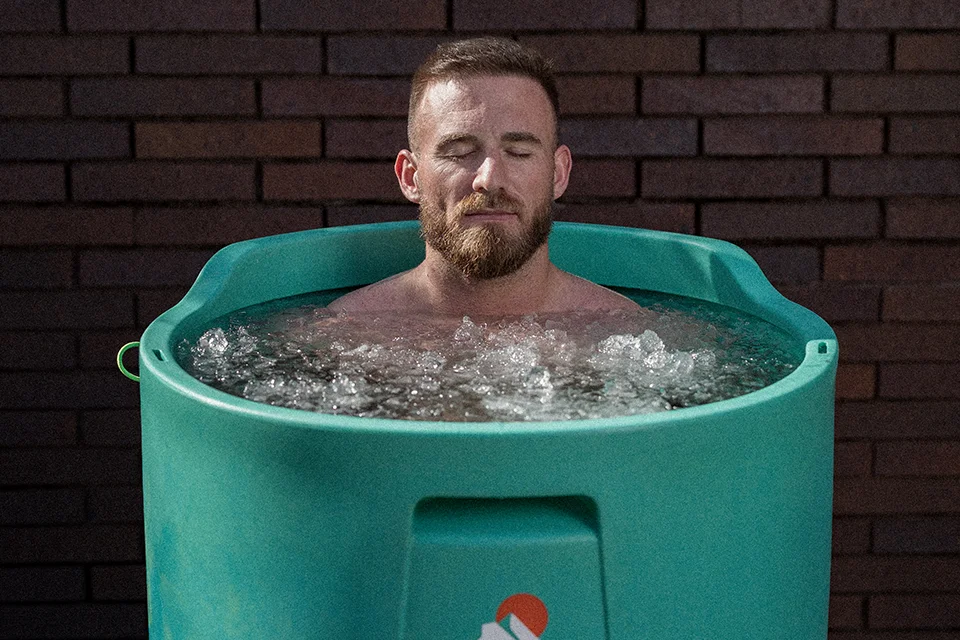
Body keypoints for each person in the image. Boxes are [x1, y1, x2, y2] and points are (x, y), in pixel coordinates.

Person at [328, 37, 638, 316]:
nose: (489, 180)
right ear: (411, 177)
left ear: (558, 173)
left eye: (518, 152)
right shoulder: (345, 335)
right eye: (459, 152)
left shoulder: (619, 330)